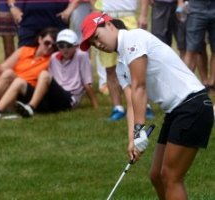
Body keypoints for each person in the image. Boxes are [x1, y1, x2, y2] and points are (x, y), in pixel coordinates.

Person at [80, 12, 213, 199]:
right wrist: (132, 140)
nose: (98, 44)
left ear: (109, 25)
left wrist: (139, 128)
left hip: (192, 105)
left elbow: (140, 87)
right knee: (156, 175)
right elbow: (132, 103)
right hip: (176, 111)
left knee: (170, 177)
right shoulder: (120, 65)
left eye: (97, 37)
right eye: (93, 44)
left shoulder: (134, 38)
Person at [0, 29, 98, 120]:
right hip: (48, 96)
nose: (65, 48)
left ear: (76, 46)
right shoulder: (50, 56)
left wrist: (95, 106)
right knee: (3, 75)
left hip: (68, 99)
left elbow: (87, 84)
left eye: (69, 45)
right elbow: (3, 67)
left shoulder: (76, 56)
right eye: (61, 45)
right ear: (40, 39)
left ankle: (30, 108)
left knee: (40, 74)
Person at [0, 27, 59, 119]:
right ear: (40, 39)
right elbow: (2, 67)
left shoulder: (53, 59)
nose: (50, 47)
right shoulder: (24, 50)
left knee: (9, 74)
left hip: (24, 92)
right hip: (8, 86)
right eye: (47, 43)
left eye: (54, 46)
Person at [90, 0, 153, 121]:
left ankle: (144, 105)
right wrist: (94, 14)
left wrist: (143, 14)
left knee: (137, 64)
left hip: (129, 17)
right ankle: (117, 108)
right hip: (103, 19)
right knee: (110, 67)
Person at [177, 0, 215, 94]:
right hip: (196, 7)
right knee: (192, 49)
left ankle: (212, 86)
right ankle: (185, 90)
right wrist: (180, 2)